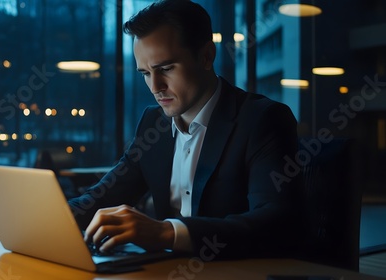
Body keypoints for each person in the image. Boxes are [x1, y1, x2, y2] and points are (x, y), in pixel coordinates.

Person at [69, 0, 301, 260]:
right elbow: (103, 196)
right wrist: (44, 218)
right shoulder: (152, 123)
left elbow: (272, 224)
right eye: (145, 73)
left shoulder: (263, 119)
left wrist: (166, 233)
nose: (155, 86)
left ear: (206, 57)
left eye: (165, 69)